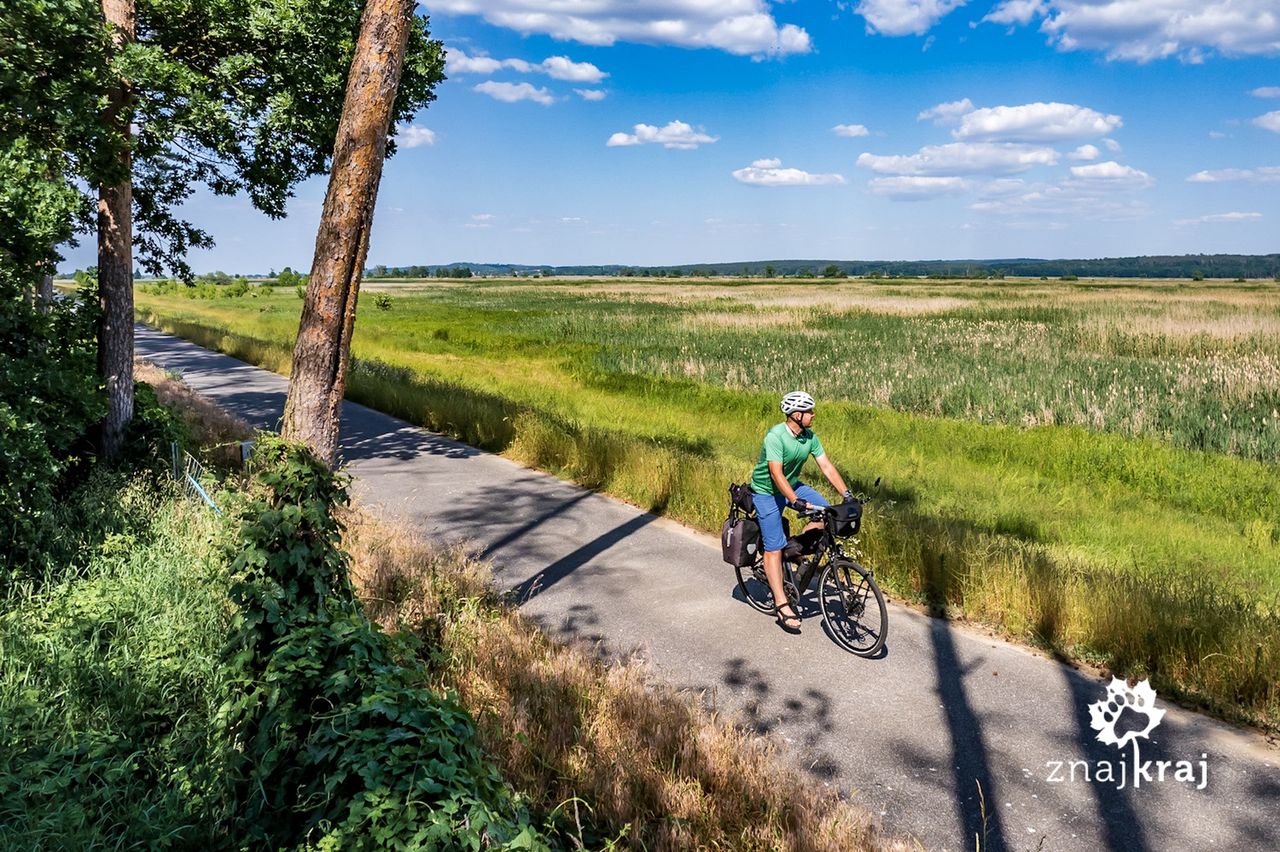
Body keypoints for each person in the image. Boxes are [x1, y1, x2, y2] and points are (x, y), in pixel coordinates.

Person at [750, 390, 853, 633]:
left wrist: (846, 494)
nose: (813, 414)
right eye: (809, 411)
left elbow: (826, 466)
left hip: (792, 485)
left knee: (827, 514)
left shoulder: (809, 437)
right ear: (796, 415)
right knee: (773, 547)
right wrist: (793, 500)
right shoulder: (776, 436)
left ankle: (794, 549)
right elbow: (775, 473)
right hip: (766, 491)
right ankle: (782, 604)